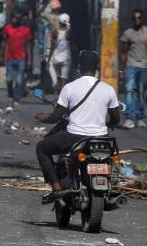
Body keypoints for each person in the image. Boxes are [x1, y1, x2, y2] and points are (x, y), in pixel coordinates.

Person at [34, 50, 122, 204]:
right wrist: (102, 121)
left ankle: (57, 188)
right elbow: (115, 119)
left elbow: (56, 117)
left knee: (42, 148)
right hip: (100, 139)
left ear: (79, 67)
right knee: (110, 159)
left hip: (74, 138)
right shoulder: (108, 89)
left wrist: (44, 117)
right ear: (97, 67)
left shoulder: (69, 88)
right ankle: (110, 185)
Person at [119, 9, 147, 129]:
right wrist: (121, 70)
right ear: (132, 19)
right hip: (131, 66)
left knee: (141, 92)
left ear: (142, 18)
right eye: (135, 18)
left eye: (139, 17)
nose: (137, 20)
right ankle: (129, 118)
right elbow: (124, 52)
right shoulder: (128, 33)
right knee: (129, 91)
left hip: (145, 67)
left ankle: (140, 118)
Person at [1, 13, 32, 103]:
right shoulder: (8, 28)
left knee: (19, 80)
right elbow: (4, 43)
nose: (13, 20)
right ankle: (10, 94)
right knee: (9, 79)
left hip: (21, 58)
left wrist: (29, 59)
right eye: (13, 18)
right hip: (10, 57)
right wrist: (2, 56)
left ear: (19, 20)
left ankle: (16, 97)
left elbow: (28, 46)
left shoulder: (25, 30)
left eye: (16, 19)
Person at [47, 13, 73, 95]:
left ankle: (58, 94)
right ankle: (61, 98)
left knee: (58, 79)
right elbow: (73, 46)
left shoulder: (55, 32)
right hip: (66, 58)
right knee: (64, 80)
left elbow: (52, 47)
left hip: (56, 58)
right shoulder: (69, 33)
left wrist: (48, 61)